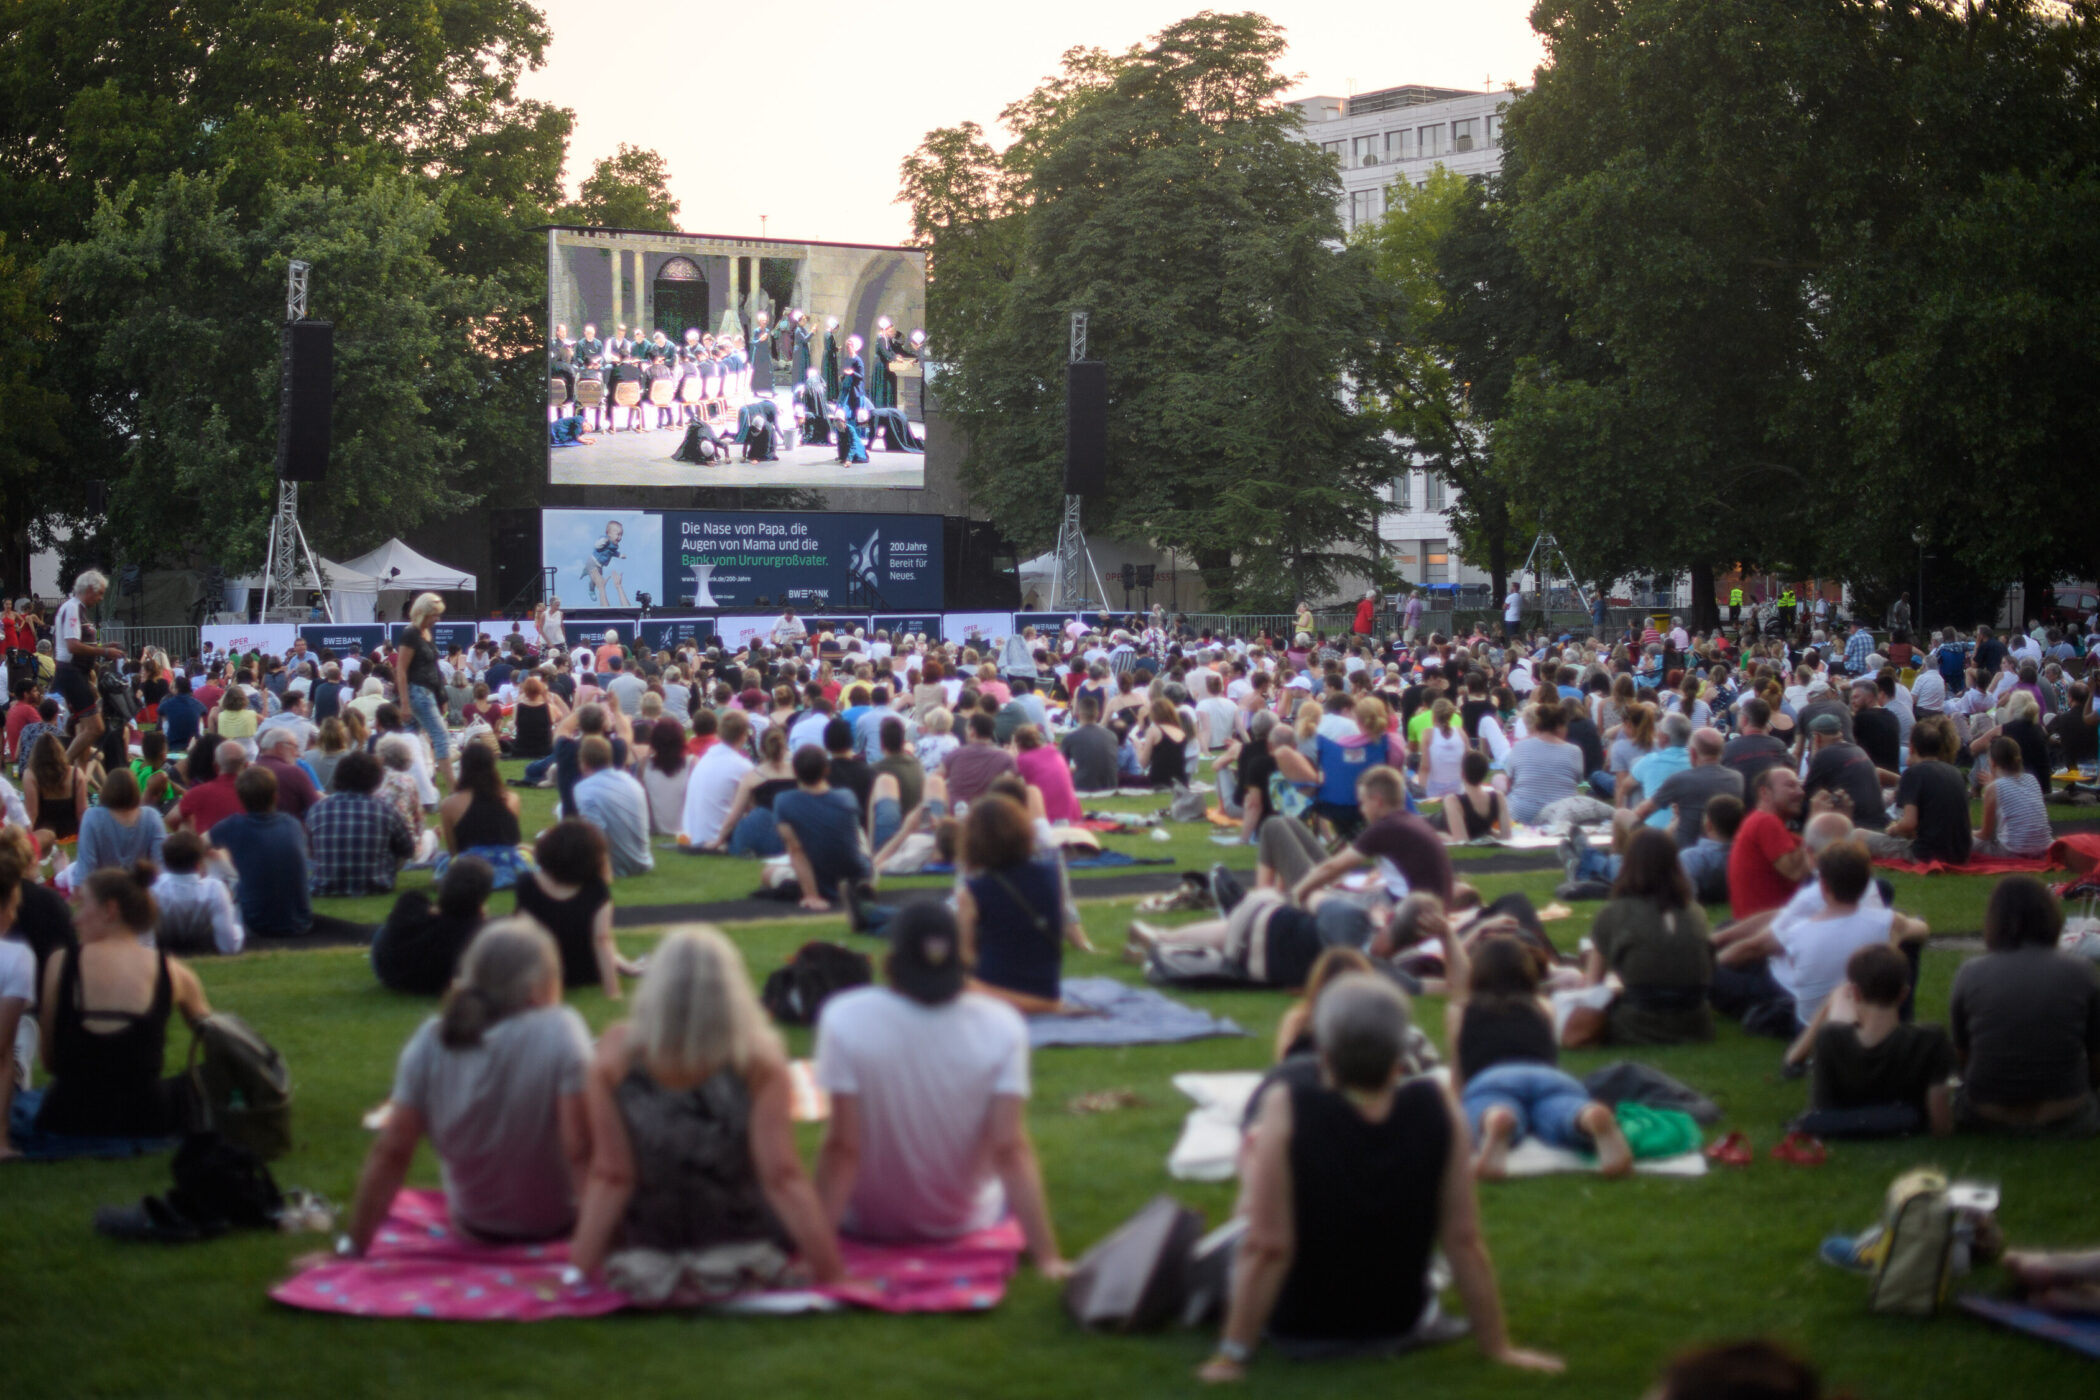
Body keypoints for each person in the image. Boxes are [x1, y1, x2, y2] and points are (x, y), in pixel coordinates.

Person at [1201, 975, 1559, 1379]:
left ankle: (1226, 1332)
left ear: (1324, 1051)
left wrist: (1231, 1357)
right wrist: (1498, 1347)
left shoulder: (1288, 1106)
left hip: (1302, 1329)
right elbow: (1463, 1240)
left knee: (1239, 1236)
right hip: (1399, 1323)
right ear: (1400, 1051)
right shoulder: (1435, 1105)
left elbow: (1269, 1245)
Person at [566, 927, 844, 1298]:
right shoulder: (757, 1058)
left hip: (650, 1241)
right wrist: (831, 1272)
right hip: (744, 1239)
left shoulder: (617, 1052)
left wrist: (576, 1273)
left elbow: (611, 1175)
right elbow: (781, 1175)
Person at [813, 901, 1067, 1275]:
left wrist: (815, 1253)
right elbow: (1010, 1148)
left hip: (867, 1223)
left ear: (889, 963)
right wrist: (1048, 1258)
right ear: (963, 962)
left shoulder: (845, 1018)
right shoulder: (1001, 1025)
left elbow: (841, 1148)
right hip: (965, 1221)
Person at [337, 921, 592, 1256]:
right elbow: (580, 1148)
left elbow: (392, 1150)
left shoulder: (431, 1040)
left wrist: (352, 1247)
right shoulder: (560, 1030)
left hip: (476, 1228)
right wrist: (602, 1245)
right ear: (542, 984)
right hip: (558, 1226)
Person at [20, 866, 211, 1144]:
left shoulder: (61, 963)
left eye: (82, 905)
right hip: (146, 1117)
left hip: (69, 1115)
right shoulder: (173, 971)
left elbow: (50, 1059)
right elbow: (218, 1040)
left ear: (110, 910)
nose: (75, 919)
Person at [1443, 926, 1634, 1178]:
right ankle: (1587, 1117)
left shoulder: (1460, 1010)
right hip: (1549, 1077)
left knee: (1484, 1107)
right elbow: (1549, 1054)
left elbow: (1458, 1073)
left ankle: (1495, 1119)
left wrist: (1458, 1104)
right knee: (1558, 1110)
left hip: (1493, 1079)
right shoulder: (1543, 1006)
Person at [1948, 877, 2100, 1135]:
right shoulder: (2081, 971)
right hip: (2066, 1113)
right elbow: (2096, 1057)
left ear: (1994, 921)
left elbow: (1962, 1056)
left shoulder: (1970, 973)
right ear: (2050, 916)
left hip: (1986, 1114)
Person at [1796, 942, 1955, 1137]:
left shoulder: (1830, 1037)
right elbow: (1941, 1124)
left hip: (1845, 1125)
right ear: (1904, 994)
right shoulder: (1930, 1039)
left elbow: (1821, 1110)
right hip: (1906, 1124)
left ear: (1855, 993)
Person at [1582, 828, 1715, 1045]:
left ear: (1628, 863)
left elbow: (1592, 988)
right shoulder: (1695, 912)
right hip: (1696, 1025)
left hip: (1637, 1025)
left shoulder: (1613, 913)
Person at [952, 793, 1076, 1012]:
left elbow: (965, 956)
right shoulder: (1051, 874)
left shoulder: (973, 892)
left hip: (996, 993)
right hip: (1046, 991)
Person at [514, 818, 632, 999]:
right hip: (586, 973)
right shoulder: (597, 890)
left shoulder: (528, 884)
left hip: (542, 970)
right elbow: (602, 940)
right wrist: (613, 992)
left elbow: (521, 935)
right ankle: (629, 967)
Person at [208, 765, 312, 938]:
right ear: (275, 796)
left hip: (256, 923)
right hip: (300, 922)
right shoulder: (293, 824)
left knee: (214, 857)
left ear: (240, 798)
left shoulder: (233, 826)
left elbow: (198, 845)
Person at [371, 855, 494, 996]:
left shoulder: (409, 904)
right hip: (434, 980)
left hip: (390, 973)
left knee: (386, 929)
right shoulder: (477, 934)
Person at [774, 746, 871, 912]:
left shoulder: (784, 801)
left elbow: (795, 850)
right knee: (857, 832)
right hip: (859, 874)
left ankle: (813, 888)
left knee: (770, 872)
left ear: (795, 772)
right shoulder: (847, 797)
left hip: (824, 879)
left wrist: (812, 896)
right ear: (827, 770)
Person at [307, 750, 416, 896]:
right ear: (376, 780)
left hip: (324, 885)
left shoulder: (317, 809)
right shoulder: (385, 809)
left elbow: (311, 851)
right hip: (376, 885)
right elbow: (408, 850)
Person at [1866, 718, 1971, 864]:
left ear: (1911, 748)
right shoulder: (1955, 773)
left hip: (1927, 854)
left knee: (1858, 835)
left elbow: (1909, 824)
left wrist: (1893, 829)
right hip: (1960, 854)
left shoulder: (1913, 774)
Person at [1728, 767, 1816, 920]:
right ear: (1765, 793)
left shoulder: (1765, 824)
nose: (1801, 792)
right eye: (1791, 785)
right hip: (1769, 927)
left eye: (1799, 786)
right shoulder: (1765, 821)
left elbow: (1821, 853)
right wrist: (1817, 819)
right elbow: (1796, 872)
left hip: (1765, 923)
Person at [149, 830, 244, 956]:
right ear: (198, 864)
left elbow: (143, 942)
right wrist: (238, 925)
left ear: (166, 863)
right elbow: (229, 946)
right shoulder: (214, 889)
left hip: (163, 949)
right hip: (203, 948)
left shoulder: (154, 889)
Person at [571, 736, 654, 878]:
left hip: (613, 868)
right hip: (643, 862)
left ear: (583, 763)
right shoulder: (632, 782)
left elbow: (595, 835)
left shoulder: (584, 789)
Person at [436, 739, 524, 873]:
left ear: (464, 767)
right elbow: (512, 841)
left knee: (441, 860)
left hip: (470, 868)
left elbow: (454, 851)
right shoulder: (512, 799)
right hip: (507, 865)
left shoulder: (450, 804)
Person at [70, 766, 165, 878]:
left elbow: (84, 872)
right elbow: (161, 869)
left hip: (103, 886)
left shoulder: (92, 817)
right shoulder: (152, 817)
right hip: (139, 886)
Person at [679, 710, 752, 848]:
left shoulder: (706, 758)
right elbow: (751, 807)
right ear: (743, 736)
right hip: (716, 838)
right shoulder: (742, 766)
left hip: (690, 836)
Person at [1504, 701, 1585, 824]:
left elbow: (1509, 783)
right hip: (1560, 815)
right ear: (1559, 727)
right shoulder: (1574, 751)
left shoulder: (1520, 746)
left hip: (1522, 814)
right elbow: (1580, 783)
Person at [1974, 735, 2052, 858]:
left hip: (2012, 851)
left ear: (1992, 762)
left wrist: (1968, 833)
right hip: (2044, 848)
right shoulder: (2032, 779)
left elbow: (1985, 834)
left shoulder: (1993, 788)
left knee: (1965, 841)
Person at [940, 710, 1018, 805]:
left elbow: (937, 777)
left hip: (957, 810)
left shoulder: (955, 754)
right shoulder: (1005, 758)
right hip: (989, 809)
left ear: (972, 731)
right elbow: (1011, 785)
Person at [23, 732, 86, 846]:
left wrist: (24, 841)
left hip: (42, 835)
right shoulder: (77, 774)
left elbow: (32, 813)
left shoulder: (30, 775)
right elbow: (81, 812)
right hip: (71, 834)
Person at [1439, 750, 1512, 841]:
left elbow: (1461, 841)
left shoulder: (1453, 800)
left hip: (1433, 827)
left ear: (1462, 774)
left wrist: (1435, 835)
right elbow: (1506, 836)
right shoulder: (1498, 797)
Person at [1060, 696, 1121, 793]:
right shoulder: (1112, 736)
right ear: (1098, 714)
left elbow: (1061, 769)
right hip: (1110, 787)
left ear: (1079, 714)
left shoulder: (1071, 738)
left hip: (1083, 787)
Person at [1135, 697, 1190, 790]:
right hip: (1181, 780)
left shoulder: (1154, 730)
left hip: (1159, 780)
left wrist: (1138, 747)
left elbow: (1143, 763)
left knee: (1124, 778)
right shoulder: (1181, 732)